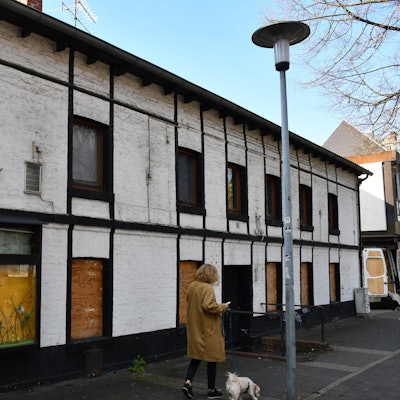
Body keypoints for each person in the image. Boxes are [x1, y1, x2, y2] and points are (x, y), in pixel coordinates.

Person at [182, 263, 230, 399]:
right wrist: (223, 307)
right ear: (211, 275)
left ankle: (188, 383)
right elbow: (208, 306)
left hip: (195, 327)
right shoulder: (207, 288)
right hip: (208, 329)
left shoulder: (192, 286)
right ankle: (211, 390)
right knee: (212, 359)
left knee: (196, 357)